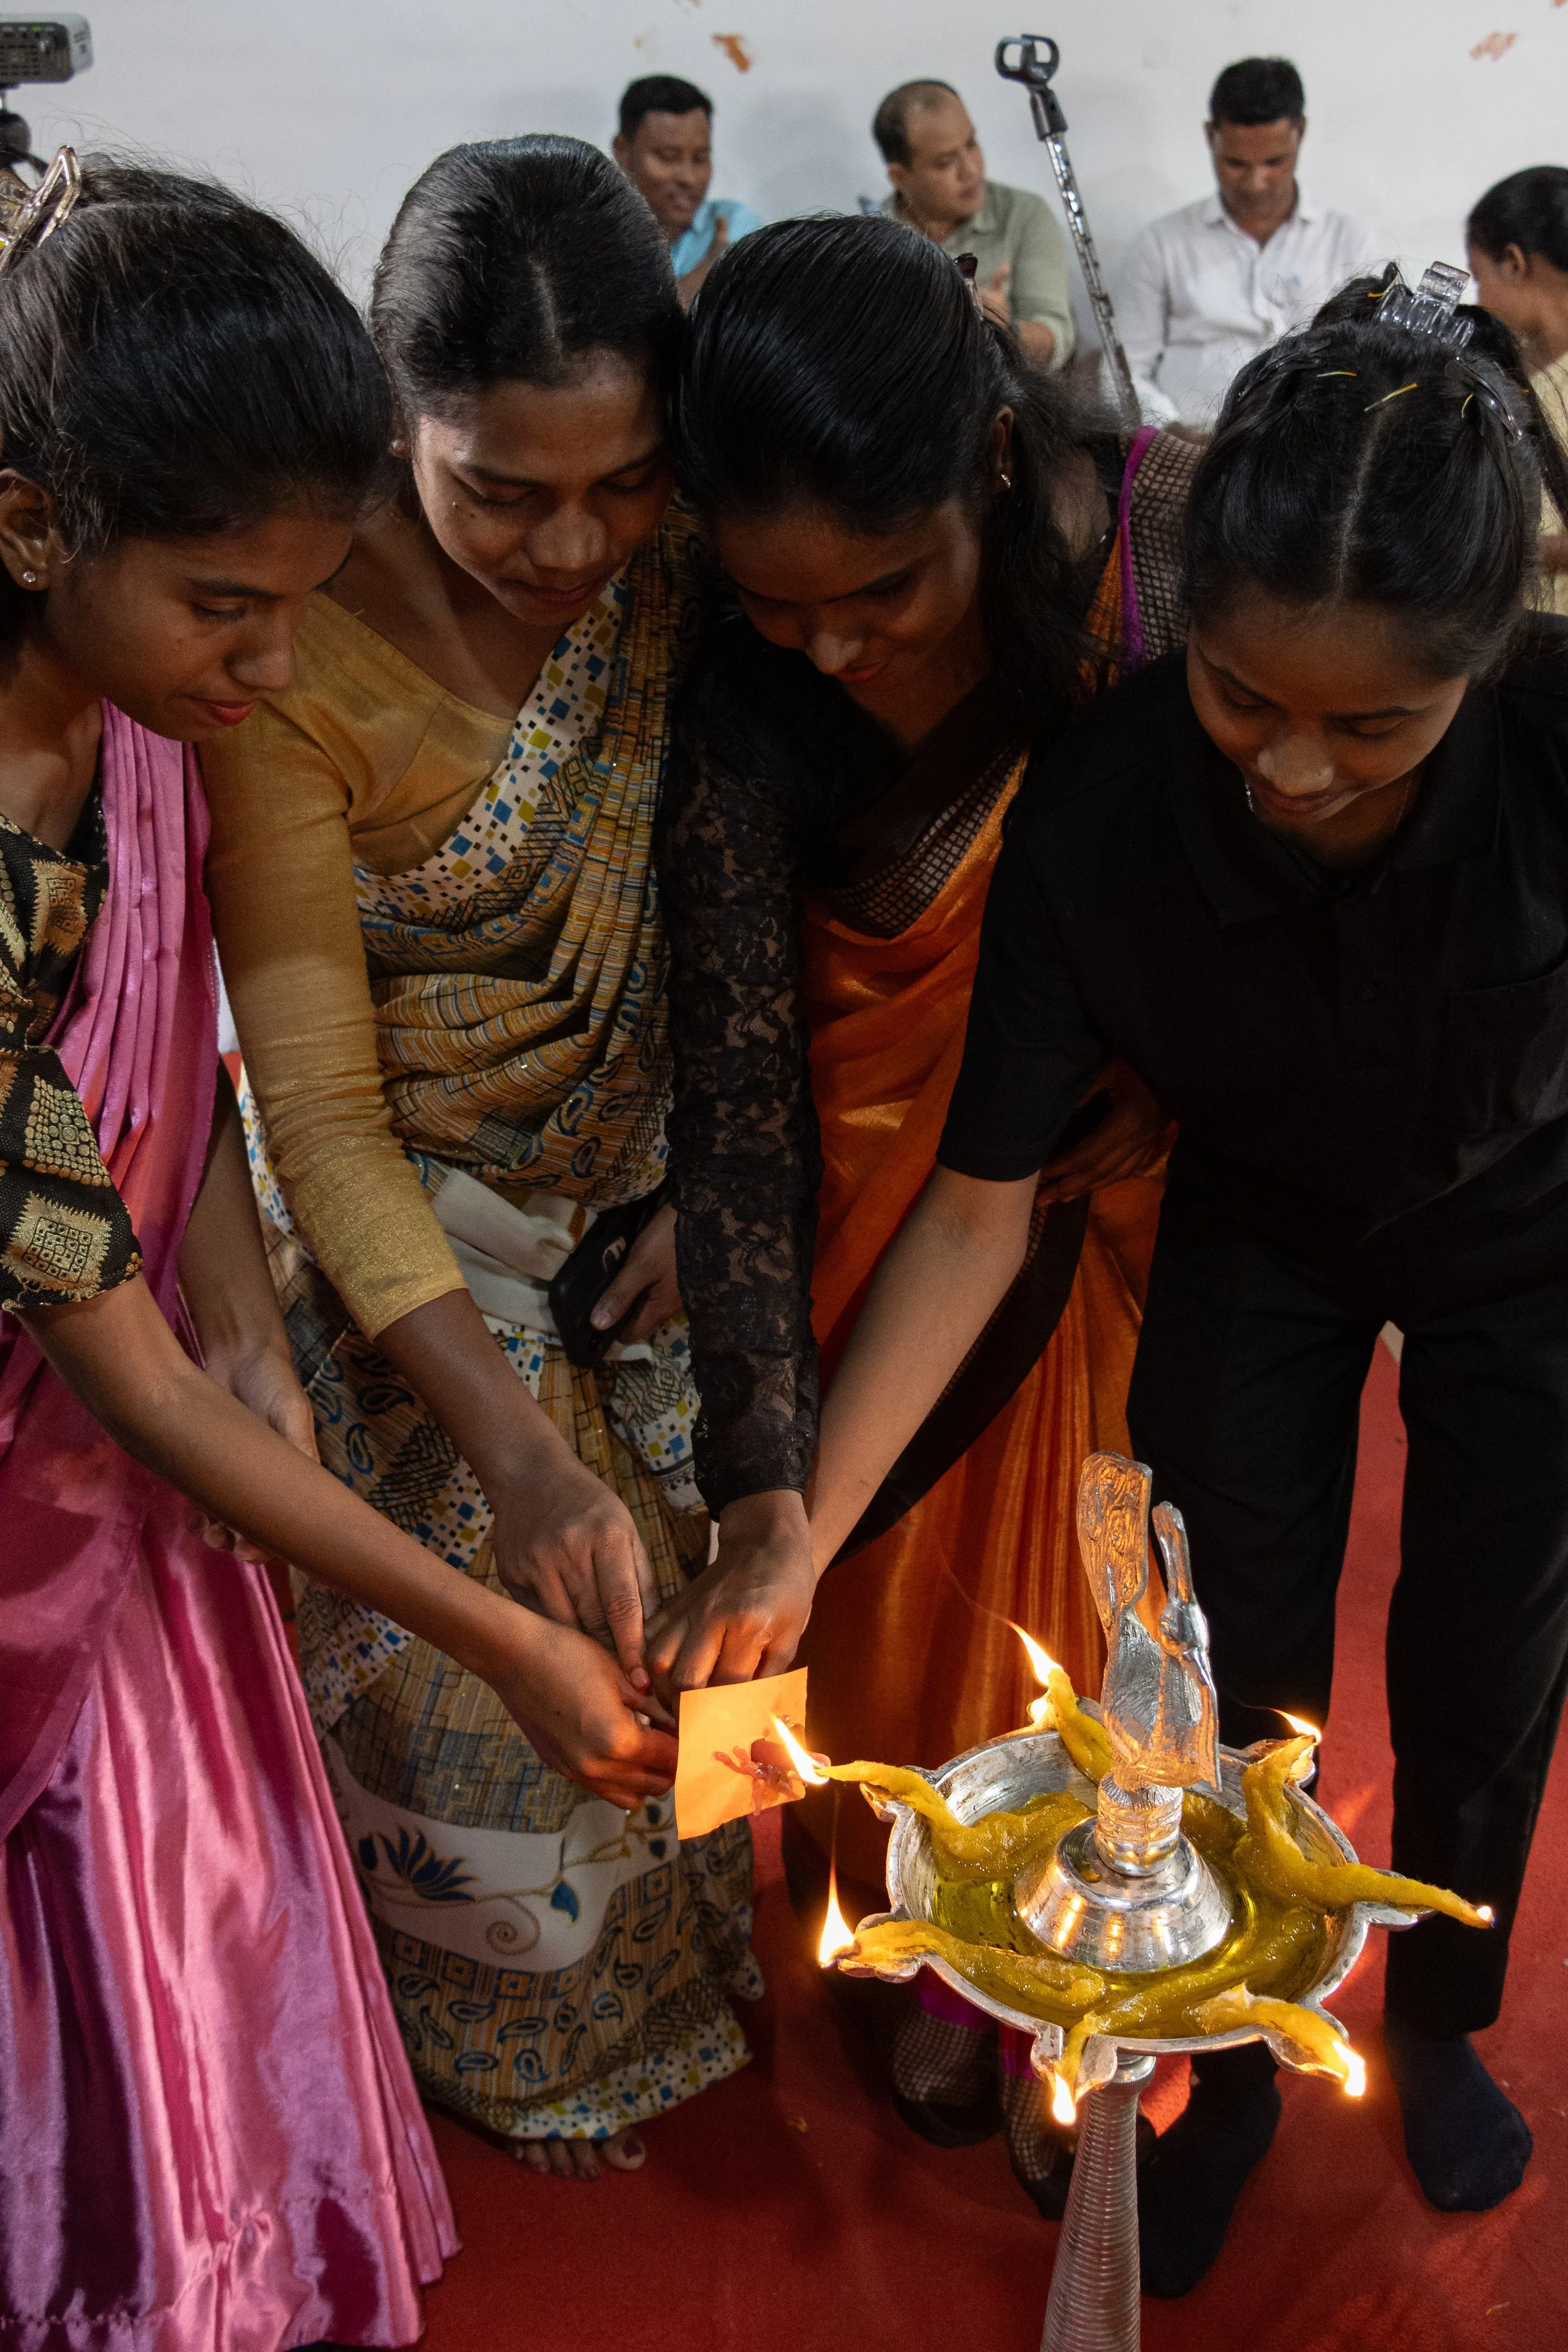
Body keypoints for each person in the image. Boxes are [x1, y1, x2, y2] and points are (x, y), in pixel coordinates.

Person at [804, 270, 1568, 2293]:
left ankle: (1441, 2013)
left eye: (1372, 726)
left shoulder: (1561, 743)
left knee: (1492, 1650)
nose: (1296, 770)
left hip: (1533, 1232)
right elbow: (974, 1209)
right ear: (1188, 629)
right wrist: (804, 1528)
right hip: (1262, 1222)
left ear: (1491, 655)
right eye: (1247, 701)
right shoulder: (1111, 808)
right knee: (1214, 1669)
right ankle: (1226, 2069)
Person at [0, 153, 678, 2351]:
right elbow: (130, 1360)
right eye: (232, 608)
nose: (276, 667)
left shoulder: (139, 698)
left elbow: (154, 1070)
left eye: (300, 606)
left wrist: (231, 1297)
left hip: (160, 1386)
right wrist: (493, 1618)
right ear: (34, 528)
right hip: (70, 1437)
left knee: (185, 1897)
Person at [201, 134, 758, 2183]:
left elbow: (739, 916)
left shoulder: (681, 568)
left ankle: (695, 1992)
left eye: (625, 481)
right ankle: (490, 2065)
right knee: (488, 1736)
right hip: (419, 1286)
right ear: (391, 418)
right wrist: (509, 1449)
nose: (573, 545)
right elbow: (316, 1111)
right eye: (502, 489)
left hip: (651, 1245)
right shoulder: (287, 645)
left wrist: (717, 1193)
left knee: (696, 1671)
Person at [645, 213, 1189, 2213]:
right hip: (881, 1202)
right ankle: (940, 1948)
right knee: (873, 1596)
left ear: (988, 460)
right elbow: (735, 1103)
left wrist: (1171, 1084)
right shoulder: (738, 692)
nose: (833, 646)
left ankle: (1101, 1968)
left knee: (1120, 1595)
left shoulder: (1148, 561)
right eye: (777, 605)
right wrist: (763, 1481)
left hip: (1143, 1207)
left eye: (881, 589)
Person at [1118, 56, 1384, 427]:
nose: (1256, 183)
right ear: (1210, 136)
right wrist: (1172, 433)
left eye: (1275, 162)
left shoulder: (1350, 243)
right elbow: (1123, 374)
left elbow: (1375, 367)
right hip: (1189, 443)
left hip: (1314, 445)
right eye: (1236, 164)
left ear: (1300, 133)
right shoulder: (1161, 245)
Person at [874, 79, 1074, 371]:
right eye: (945, 162)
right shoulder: (872, 244)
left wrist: (1004, 331)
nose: (970, 170)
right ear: (900, 177)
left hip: (1005, 393)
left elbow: (1058, 339)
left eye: (971, 144)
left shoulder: (1023, 214)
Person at [1469, 166, 1568, 617]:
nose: (1478, 301)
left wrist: (1491, 553)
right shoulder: (1511, 371)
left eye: (1479, 276)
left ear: (1513, 263)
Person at [613, 73, 760, 307]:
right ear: (622, 150)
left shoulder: (735, 223)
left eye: (700, 159)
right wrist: (710, 270)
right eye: (668, 157)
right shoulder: (595, 234)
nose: (689, 179)